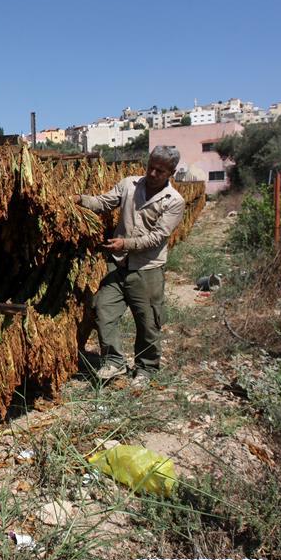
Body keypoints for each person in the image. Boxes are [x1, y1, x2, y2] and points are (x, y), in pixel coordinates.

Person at [72, 145, 186, 388]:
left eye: (160, 170)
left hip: (147, 269)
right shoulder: (129, 185)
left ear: (171, 173)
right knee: (103, 309)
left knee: (147, 321)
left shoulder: (174, 201)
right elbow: (104, 203)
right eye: (151, 167)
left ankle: (146, 368)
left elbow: (158, 237)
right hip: (119, 265)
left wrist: (125, 243)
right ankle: (114, 360)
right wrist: (80, 199)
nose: (153, 173)